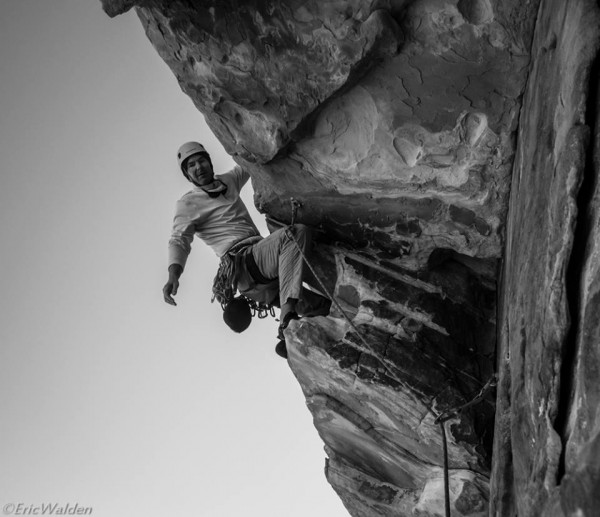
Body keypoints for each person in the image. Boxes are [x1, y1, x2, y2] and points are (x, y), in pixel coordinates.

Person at [162, 142, 329, 357]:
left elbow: (247, 164)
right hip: (245, 263)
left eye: (201, 160)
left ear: (209, 162)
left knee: (324, 308)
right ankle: (287, 319)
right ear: (187, 174)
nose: (198, 167)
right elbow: (179, 240)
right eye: (191, 165)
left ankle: (290, 339)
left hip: (259, 275)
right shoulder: (187, 204)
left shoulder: (227, 181)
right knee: (293, 235)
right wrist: (173, 275)